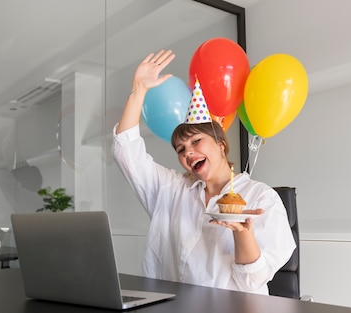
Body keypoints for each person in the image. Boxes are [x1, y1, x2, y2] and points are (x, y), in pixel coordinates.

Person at [112, 49, 295, 294]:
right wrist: (138, 90)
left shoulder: (262, 198)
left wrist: (243, 233)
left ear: (220, 145)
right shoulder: (171, 190)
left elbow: (253, 282)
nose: (187, 152)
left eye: (196, 142)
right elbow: (126, 151)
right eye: (181, 149)